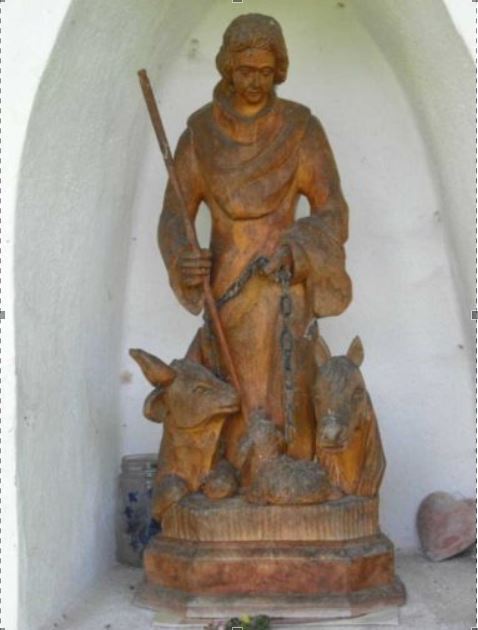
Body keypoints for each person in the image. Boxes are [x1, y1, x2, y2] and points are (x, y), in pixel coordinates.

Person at [158, 13, 351, 469]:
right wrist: (184, 257)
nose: (255, 82)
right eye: (245, 70)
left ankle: (291, 479)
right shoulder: (200, 134)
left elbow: (333, 211)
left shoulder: (300, 129)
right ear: (228, 66)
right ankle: (232, 479)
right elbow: (174, 216)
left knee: (287, 390)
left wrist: (299, 249)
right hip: (226, 291)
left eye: (266, 71)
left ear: (278, 69)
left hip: (284, 284)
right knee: (231, 395)